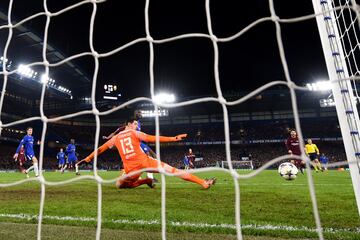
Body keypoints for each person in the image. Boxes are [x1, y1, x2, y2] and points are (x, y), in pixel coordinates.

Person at [76, 118, 216, 189]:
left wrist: (87, 159)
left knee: (119, 185)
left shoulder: (115, 138)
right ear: (129, 124)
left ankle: (144, 181)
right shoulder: (134, 132)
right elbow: (153, 138)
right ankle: (203, 183)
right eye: (135, 124)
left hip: (131, 169)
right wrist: (173, 138)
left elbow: (101, 149)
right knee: (174, 170)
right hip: (146, 162)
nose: (137, 126)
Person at [102, 111, 157, 181]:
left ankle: (133, 175)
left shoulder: (138, 123)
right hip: (134, 143)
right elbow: (115, 132)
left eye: (140, 113)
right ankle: (149, 177)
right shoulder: (126, 126)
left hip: (140, 142)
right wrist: (108, 138)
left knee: (153, 155)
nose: (140, 114)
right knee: (147, 156)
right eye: (138, 113)